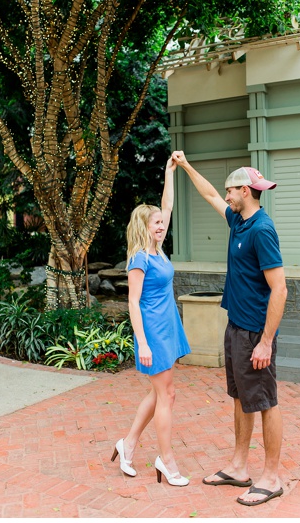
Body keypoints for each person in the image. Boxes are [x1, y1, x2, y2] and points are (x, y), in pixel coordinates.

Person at [171, 151, 288, 507]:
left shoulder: (262, 230)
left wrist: (266, 342)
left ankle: (272, 477)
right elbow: (207, 194)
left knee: (266, 401)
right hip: (236, 326)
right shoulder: (239, 221)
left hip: (256, 332)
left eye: (230, 191)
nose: (225, 196)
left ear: (247, 191)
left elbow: (280, 289)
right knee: (241, 397)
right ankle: (239, 467)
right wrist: (188, 165)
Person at [111, 156, 191, 487]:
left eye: (161, 222)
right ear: (143, 227)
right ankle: (166, 460)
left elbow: (168, 206)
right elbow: (132, 301)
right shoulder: (140, 258)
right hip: (153, 332)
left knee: (161, 393)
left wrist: (169, 173)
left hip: (168, 325)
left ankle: (127, 444)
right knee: (167, 393)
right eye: (155, 223)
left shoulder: (157, 249)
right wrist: (142, 342)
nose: (161, 225)